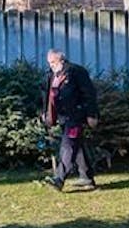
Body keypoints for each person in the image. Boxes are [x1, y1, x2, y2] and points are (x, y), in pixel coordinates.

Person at [40, 49, 100, 192]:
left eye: (53, 62)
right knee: (77, 146)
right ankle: (87, 178)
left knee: (68, 145)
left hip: (76, 115)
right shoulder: (51, 75)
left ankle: (59, 179)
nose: (51, 65)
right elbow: (47, 95)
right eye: (49, 63)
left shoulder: (76, 72)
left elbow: (90, 94)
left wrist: (92, 114)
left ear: (62, 60)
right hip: (62, 117)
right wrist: (45, 113)